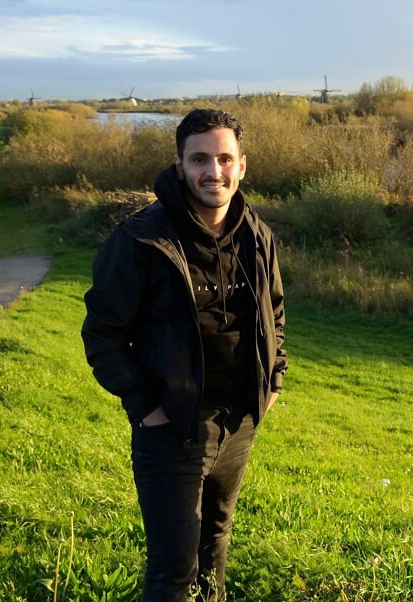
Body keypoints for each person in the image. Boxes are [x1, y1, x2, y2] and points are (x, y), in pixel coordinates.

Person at [81, 108, 287, 601]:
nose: (213, 171)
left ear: (242, 165)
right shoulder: (140, 240)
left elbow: (274, 310)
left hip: (240, 421)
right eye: (200, 159)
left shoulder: (256, 233)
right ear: (179, 165)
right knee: (172, 570)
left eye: (223, 158)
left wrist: (273, 379)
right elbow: (103, 336)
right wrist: (146, 408)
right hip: (172, 428)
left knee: (213, 551)